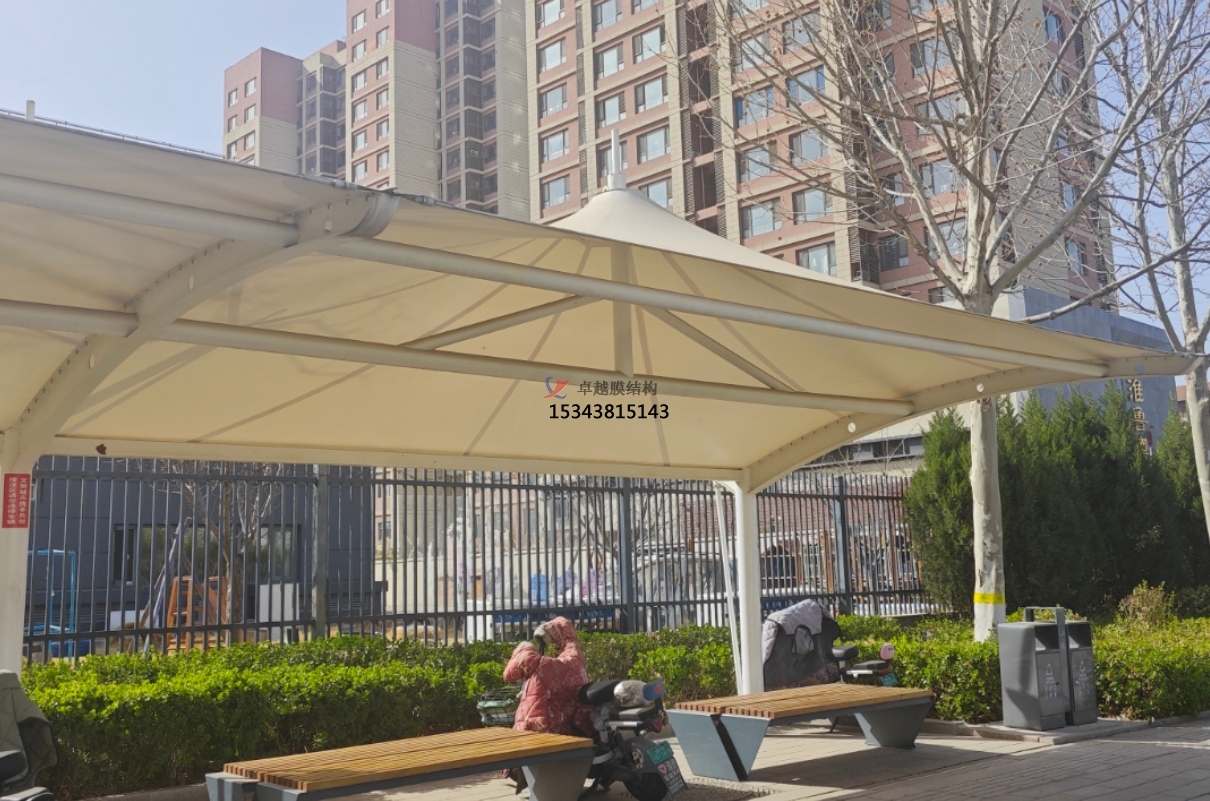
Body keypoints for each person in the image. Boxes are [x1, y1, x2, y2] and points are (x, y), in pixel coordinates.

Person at [503, 616, 590, 736]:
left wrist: (525, 647)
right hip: (564, 730)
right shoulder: (576, 662)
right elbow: (570, 642)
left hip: (535, 729)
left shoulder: (538, 663)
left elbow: (508, 674)